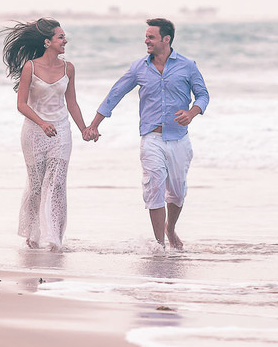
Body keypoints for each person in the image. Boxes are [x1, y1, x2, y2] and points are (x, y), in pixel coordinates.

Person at [87, 18, 209, 249]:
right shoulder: (138, 68)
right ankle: (159, 244)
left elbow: (203, 95)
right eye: (146, 36)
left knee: (177, 191)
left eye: (151, 37)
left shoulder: (187, 65)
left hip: (179, 138)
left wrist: (192, 113)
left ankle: (170, 229)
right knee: (153, 186)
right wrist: (94, 125)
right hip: (151, 137)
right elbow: (115, 94)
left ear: (166, 39)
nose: (146, 40)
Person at [1, 18, 92, 250]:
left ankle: (54, 238)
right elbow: (21, 104)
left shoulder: (68, 68)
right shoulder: (30, 67)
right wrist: (41, 123)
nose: (65, 41)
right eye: (61, 37)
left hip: (61, 129)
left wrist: (84, 129)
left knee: (58, 183)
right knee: (37, 184)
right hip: (34, 131)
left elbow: (72, 103)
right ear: (47, 42)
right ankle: (33, 234)